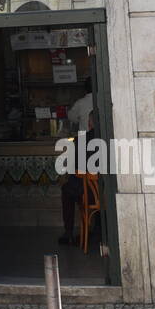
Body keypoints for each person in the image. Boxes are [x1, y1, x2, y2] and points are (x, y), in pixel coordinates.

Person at [60, 78, 94, 247]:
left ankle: (69, 232)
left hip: (85, 192)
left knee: (67, 189)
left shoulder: (81, 103)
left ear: (89, 123)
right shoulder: (110, 142)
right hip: (103, 194)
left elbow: (70, 117)